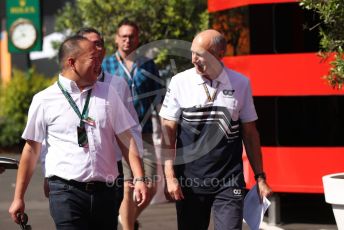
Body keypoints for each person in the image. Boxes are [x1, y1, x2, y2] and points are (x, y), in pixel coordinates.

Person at [9, 35, 148, 230]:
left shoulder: (109, 93)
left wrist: (140, 178)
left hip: (106, 192)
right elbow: (31, 150)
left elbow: (127, 138)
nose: (100, 63)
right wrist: (18, 198)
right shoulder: (44, 100)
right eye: (94, 58)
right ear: (71, 62)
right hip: (66, 192)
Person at [159, 29, 272, 230]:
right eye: (192, 52)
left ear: (220, 54)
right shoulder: (179, 82)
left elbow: (250, 133)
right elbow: (168, 132)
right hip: (190, 182)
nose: (194, 59)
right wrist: (170, 178)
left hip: (229, 180)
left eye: (201, 55)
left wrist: (260, 177)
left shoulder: (241, 83)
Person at [102, 19, 163, 230]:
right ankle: (128, 227)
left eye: (132, 36)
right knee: (129, 186)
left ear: (138, 39)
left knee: (153, 185)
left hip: (144, 132)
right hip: (119, 134)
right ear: (116, 39)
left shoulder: (148, 64)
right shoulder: (105, 65)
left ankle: (126, 217)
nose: (128, 40)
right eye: (124, 36)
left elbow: (159, 98)